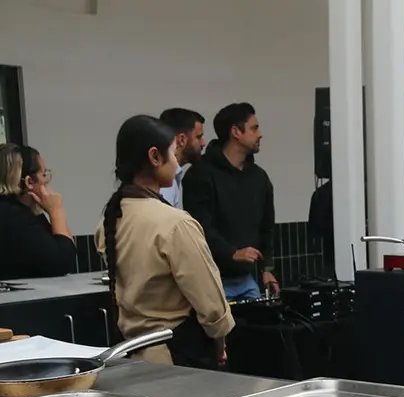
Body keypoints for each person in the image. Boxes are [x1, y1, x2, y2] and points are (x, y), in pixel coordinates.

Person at [95, 115, 234, 367]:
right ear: (155, 157)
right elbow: (209, 301)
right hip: (175, 356)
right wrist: (220, 340)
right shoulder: (175, 224)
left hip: (132, 352)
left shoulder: (111, 217)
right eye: (173, 153)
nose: (177, 165)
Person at [183, 102, 279, 300]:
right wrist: (231, 253)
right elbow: (201, 227)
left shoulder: (259, 177)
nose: (260, 134)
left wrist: (267, 269)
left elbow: (267, 227)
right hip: (211, 280)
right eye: (254, 128)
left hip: (246, 279)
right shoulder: (200, 175)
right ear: (236, 132)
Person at [0, 144, 77, 280]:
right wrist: (56, 211)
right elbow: (62, 262)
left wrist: (37, 210)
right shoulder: (15, 218)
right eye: (44, 175)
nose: (46, 182)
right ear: (29, 182)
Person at [157, 108, 205, 209]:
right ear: (182, 139)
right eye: (199, 137)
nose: (203, 143)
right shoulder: (164, 182)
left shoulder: (168, 175)